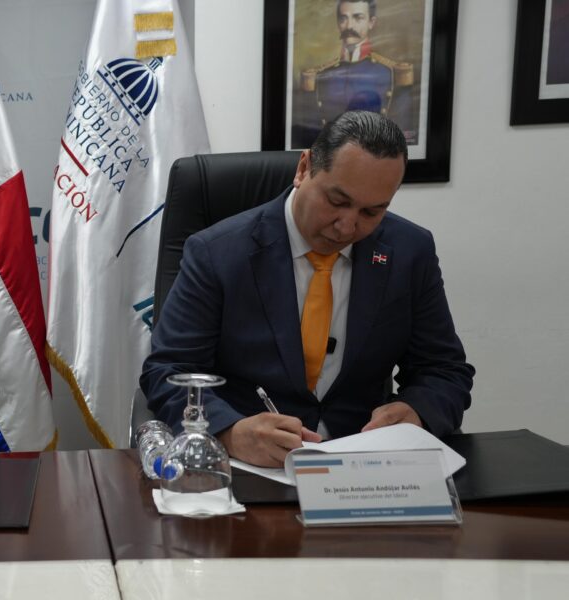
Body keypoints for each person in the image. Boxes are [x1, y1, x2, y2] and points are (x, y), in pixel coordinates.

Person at [141, 111, 473, 468]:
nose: (347, 227)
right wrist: (228, 432)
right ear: (304, 169)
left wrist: (416, 411)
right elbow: (169, 371)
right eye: (337, 201)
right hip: (253, 468)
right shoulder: (217, 253)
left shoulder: (409, 252)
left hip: (364, 469)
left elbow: (443, 370)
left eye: (371, 212)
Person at [293, 0, 416, 148]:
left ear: (371, 22)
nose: (349, 26)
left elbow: (401, 139)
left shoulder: (392, 73)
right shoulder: (320, 75)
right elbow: (308, 137)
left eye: (358, 18)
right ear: (338, 23)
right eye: (343, 18)